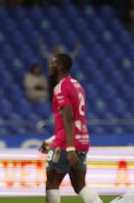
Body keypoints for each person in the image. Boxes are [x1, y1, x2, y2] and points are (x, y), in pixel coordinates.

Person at [38, 53, 103, 203]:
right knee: (80, 185)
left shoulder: (60, 88)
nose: (49, 66)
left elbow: (68, 118)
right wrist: (51, 140)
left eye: (52, 63)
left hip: (67, 144)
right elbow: (75, 119)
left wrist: (70, 148)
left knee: (52, 183)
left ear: (60, 66)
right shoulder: (77, 85)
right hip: (82, 140)